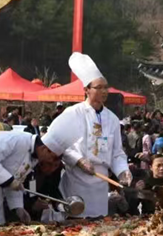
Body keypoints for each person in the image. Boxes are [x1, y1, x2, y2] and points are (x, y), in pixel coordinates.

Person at [57, 52, 133, 218]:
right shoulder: (73, 113)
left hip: (101, 182)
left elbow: (117, 152)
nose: (104, 91)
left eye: (106, 87)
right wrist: (79, 160)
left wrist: (123, 171)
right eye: (99, 87)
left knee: (99, 225)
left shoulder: (112, 118)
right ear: (86, 90)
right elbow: (59, 144)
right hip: (78, 178)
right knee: (77, 224)